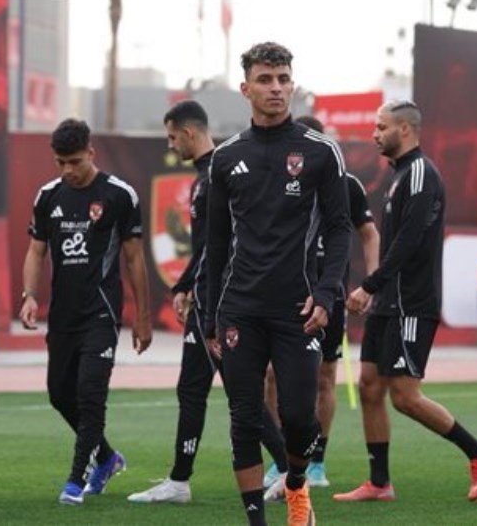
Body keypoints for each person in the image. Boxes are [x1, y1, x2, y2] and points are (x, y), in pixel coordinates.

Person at [205, 42, 352, 526]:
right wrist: (210, 315)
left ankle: (295, 483)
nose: (276, 88)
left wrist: (327, 294)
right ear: (245, 88)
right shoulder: (226, 158)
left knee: (300, 419)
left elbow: (340, 229)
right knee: (244, 417)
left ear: (293, 84)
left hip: (298, 309)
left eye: (283, 79)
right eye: (265, 79)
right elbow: (215, 244)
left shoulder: (320, 152)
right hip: (240, 309)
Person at [334, 100, 477, 503]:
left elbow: (408, 243)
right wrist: (377, 291)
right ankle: (379, 483)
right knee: (369, 386)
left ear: (405, 129)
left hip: (411, 303)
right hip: (389, 301)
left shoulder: (422, 173)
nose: (374, 134)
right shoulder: (398, 176)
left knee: (405, 396)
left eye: (381, 127)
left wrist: (369, 286)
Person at [127, 100, 289, 504]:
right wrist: (185, 286)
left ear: (188, 132)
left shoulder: (217, 174)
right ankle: (181, 480)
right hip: (209, 299)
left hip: (219, 304)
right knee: (201, 388)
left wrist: (195, 291)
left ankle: (288, 470)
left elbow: (217, 247)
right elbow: (206, 247)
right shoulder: (211, 174)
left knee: (231, 391)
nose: (170, 145)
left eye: (172, 137)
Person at [20, 118, 152, 505]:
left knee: (90, 394)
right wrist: (29, 295)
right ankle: (107, 458)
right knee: (60, 394)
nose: (67, 170)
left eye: (75, 162)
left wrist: (143, 318)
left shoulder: (119, 195)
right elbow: (36, 251)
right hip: (63, 314)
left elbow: (135, 259)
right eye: (60, 162)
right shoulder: (48, 197)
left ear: (91, 153)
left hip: (101, 312)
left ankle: (77, 480)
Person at [262, 115, 380, 499]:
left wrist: (370, 283)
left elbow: (369, 233)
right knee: (271, 376)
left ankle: (316, 462)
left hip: (329, 296)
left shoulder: (347, 184)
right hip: (285, 293)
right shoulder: (279, 180)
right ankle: (283, 458)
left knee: (324, 378)